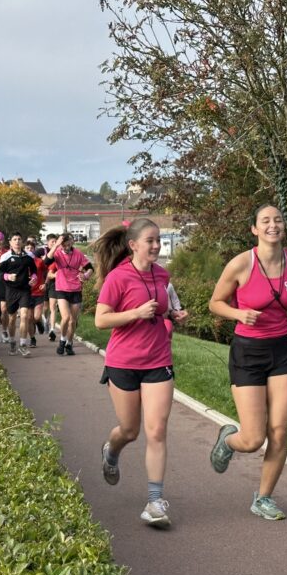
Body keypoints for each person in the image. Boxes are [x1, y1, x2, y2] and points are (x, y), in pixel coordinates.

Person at [207, 204, 287, 521]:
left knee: (280, 431)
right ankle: (228, 440)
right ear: (255, 230)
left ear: (284, 227)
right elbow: (214, 303)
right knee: (253, 438)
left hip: (282, 351)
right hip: (247, 353)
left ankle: (264, 498)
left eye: (278, 219)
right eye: (265, 221)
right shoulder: (241, 264)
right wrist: (239, 313)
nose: (273, 225)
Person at [93, 218, 189, 528]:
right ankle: (111, 450)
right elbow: (100, 321)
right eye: (150, 240)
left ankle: (154, 502)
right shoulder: (117, 278)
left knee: (157, 430)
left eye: (159, 240)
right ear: (133, 245)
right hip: (123, 363)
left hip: (158, 360)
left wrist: (175, 314)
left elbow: (161, 308)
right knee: (129, 431)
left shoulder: (162, 274)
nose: (157, 245)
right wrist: (135, 313)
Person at [44, 232, 93, 356]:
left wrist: (85, 276)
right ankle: (62, 341)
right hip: (61, 288)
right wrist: (56, 245)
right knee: (65, 318)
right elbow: (46, 261)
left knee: (73, 321)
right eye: (64, 244)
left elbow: (90, 268)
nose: (66, 247)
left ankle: (69, 344)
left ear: (72, 243)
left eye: (68, 244)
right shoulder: (57, 252)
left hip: (76, 289)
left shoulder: (78, 254)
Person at [0, 232, 38, 357]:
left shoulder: (28, 256)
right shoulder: (5, 257)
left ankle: (23, 345)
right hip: (11, 291)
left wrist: (34, 278)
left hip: (25, 290)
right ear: (10, 242)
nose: (17, 241)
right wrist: (8, 276)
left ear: (22, 242)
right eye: (14, 239)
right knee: (12, 318)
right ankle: (12, 342)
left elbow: (34, 271)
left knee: (25, 315)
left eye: (19, 239)